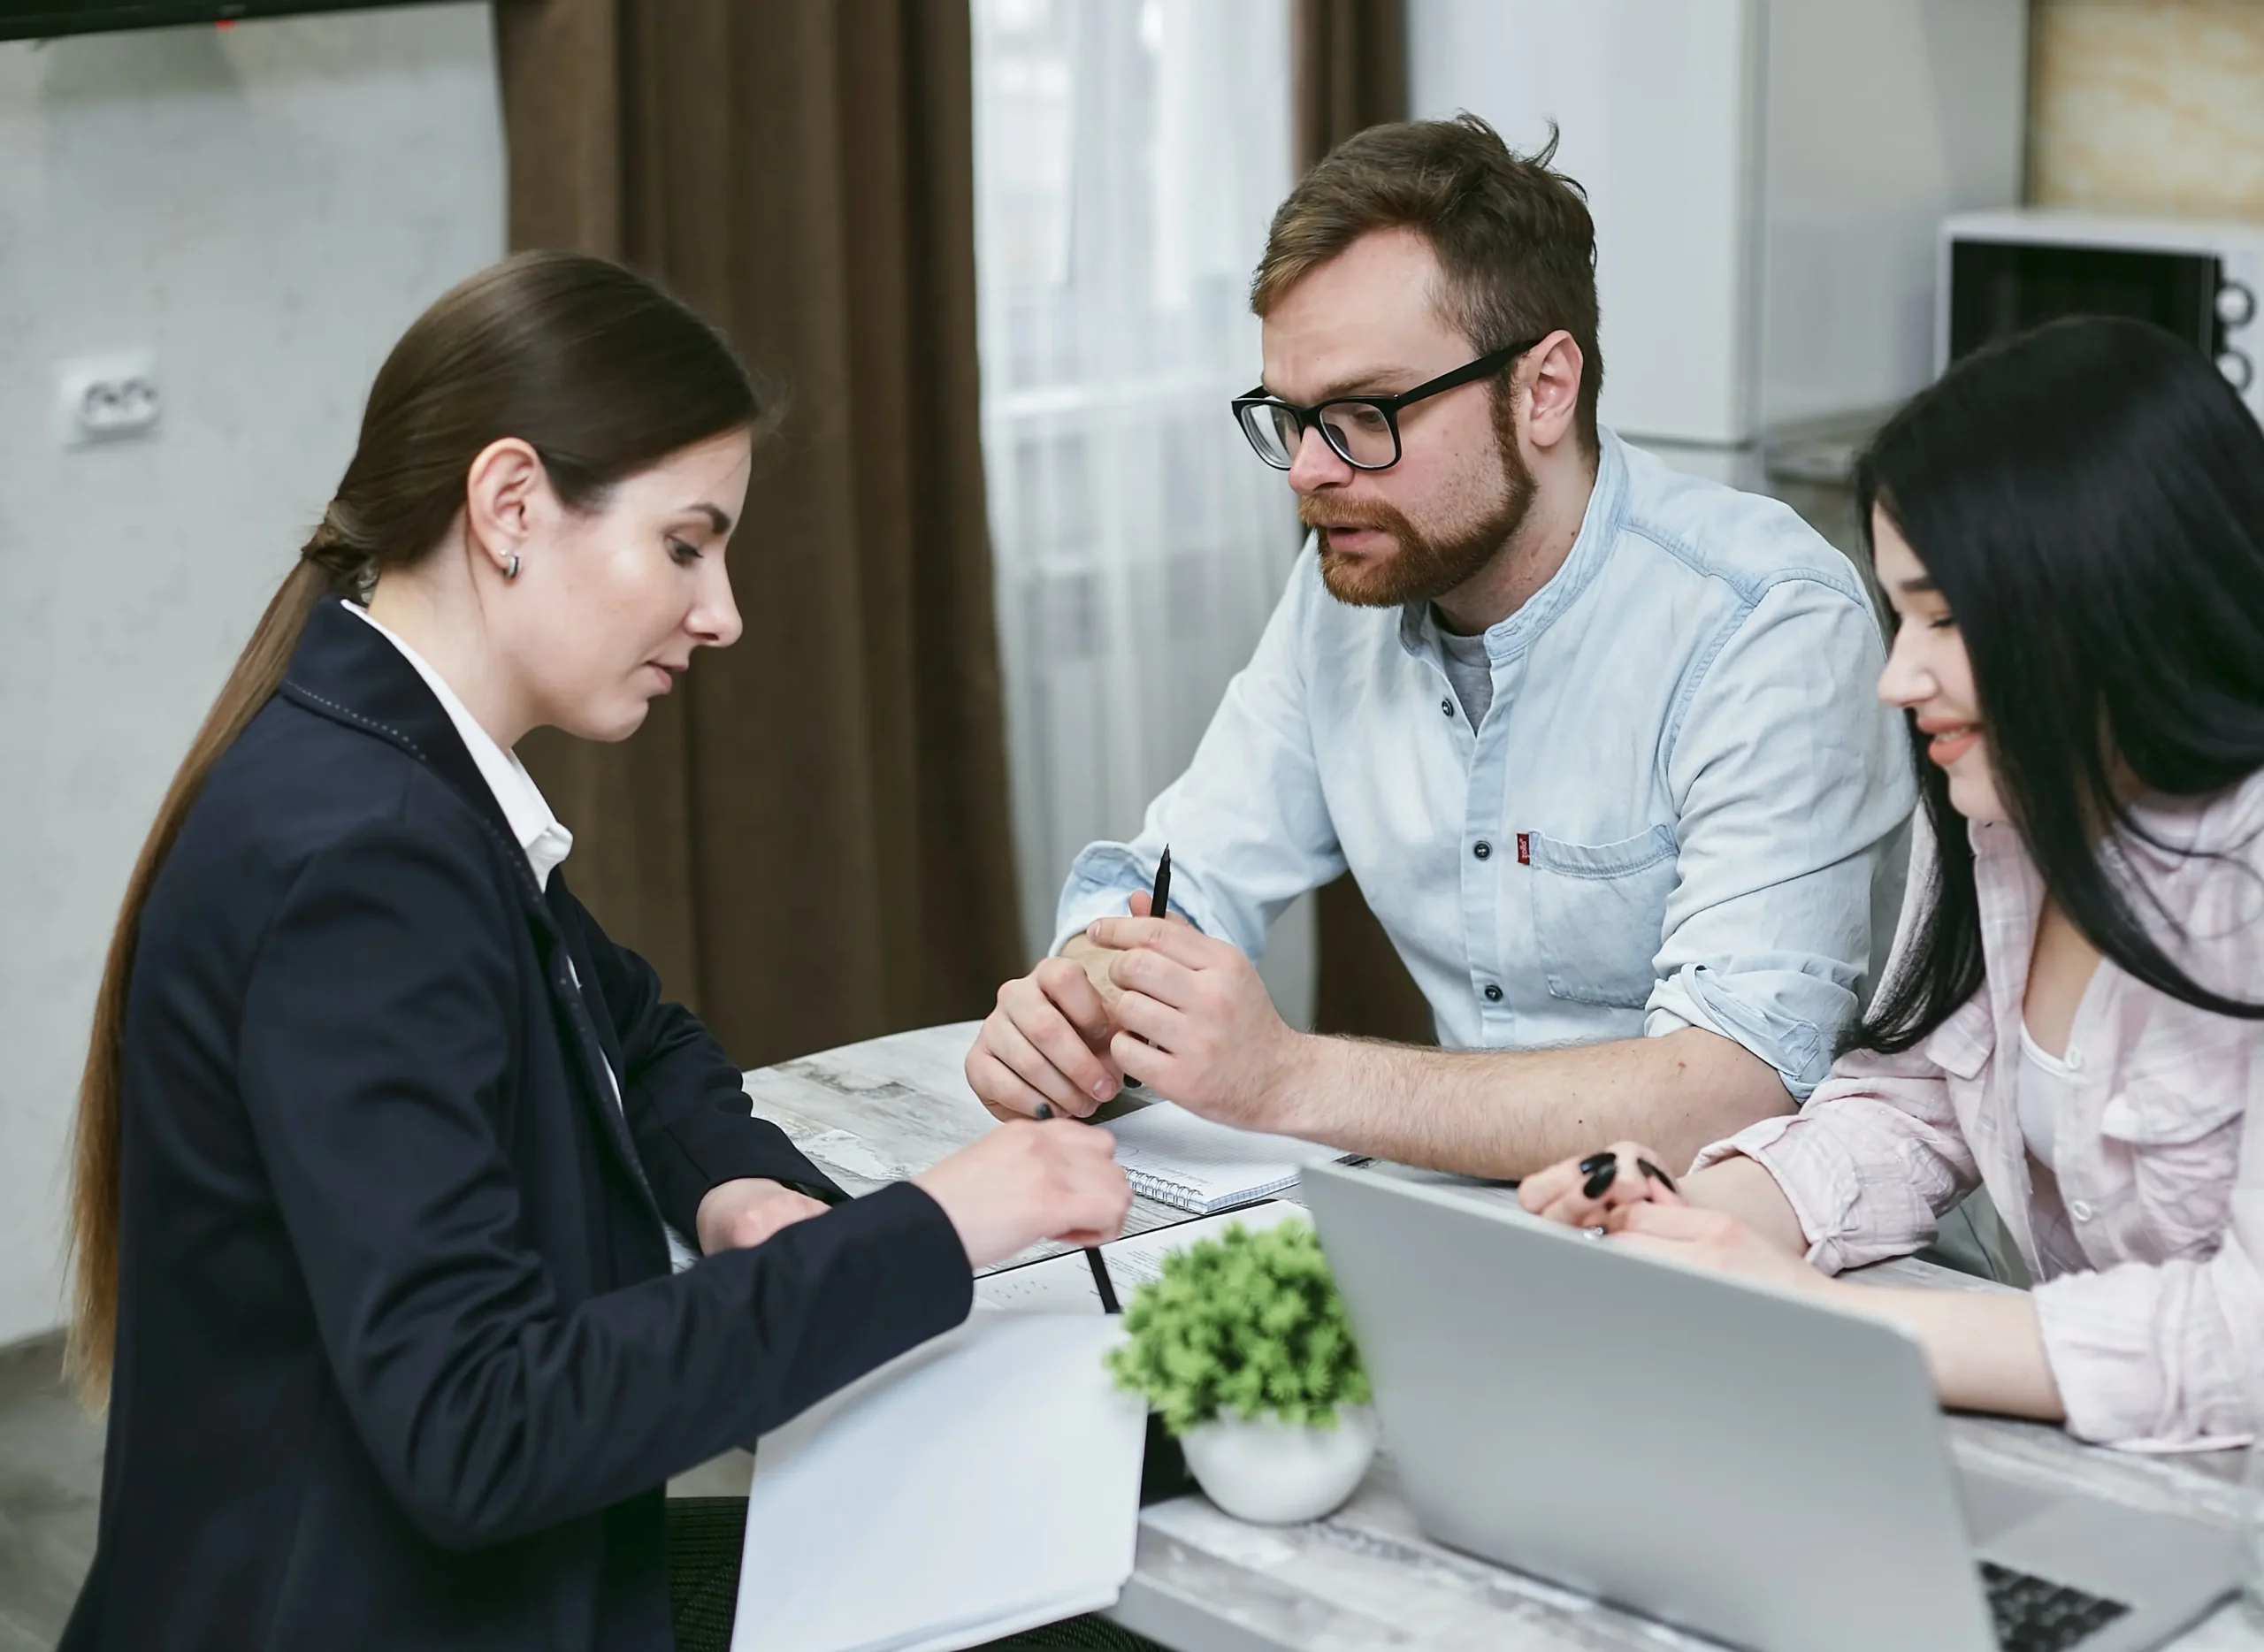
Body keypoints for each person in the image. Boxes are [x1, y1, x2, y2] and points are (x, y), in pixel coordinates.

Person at [58, 252, 1131, 1652]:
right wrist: (939, 1223)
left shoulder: (395, 774)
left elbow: (627, 1025)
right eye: (687, 543)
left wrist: (736, 1185)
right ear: (510, 507)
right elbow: (484, 1429)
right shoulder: (365, 861)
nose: (723, 611)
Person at [966, 116, 1913, 1177]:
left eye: (1364, 413)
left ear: (1543, 388)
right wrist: (1082, 991)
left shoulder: (1764, 622)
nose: (1307, 475)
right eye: (1289, 417)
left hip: (1771, 1253)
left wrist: (1287, 1078)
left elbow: (1736, 1084)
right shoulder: (1350, 589)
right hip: (1486, 1234)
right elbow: (1179, 879)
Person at [1520, 315, 2264, 1451]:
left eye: (1946, 619)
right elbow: (1910, 1104)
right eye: (1897, 613)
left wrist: (1835, 1321)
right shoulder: (1999, 807)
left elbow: (2241, 1335)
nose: (1895, 677)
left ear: (2109, 596)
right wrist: (1695, 1218)